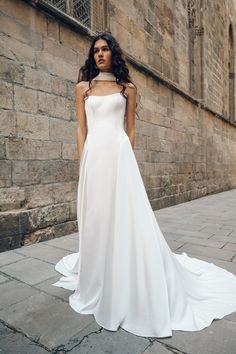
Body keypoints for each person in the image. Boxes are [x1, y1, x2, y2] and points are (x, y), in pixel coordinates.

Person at [53, 32, 236, 338]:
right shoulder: (82, 88)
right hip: (93, 160)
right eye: (95, 50)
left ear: (114, 53)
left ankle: (122, 274)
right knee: (96, 219)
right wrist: (82, 163)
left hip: (119, 158)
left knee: (122, 218)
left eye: (105, 49)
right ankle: (97, 274)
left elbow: (130, 130)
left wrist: (128, 163)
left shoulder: (128, 89)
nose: (99, 54)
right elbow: (81, 130)